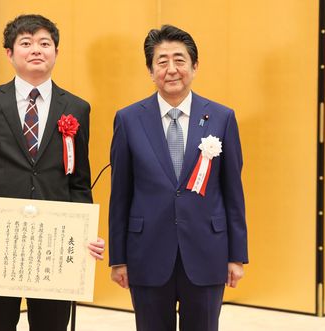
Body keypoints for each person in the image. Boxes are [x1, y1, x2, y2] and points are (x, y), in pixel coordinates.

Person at [0, 14, 104, 331]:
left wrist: (84, 231)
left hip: (54, 245)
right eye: (25, 43)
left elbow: (79, 182)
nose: (36, 50)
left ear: (56, 51)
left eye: (45, 43)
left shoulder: (77, 108)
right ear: (9, 53)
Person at [108, 25, 248, 331]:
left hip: (207, 251)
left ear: (195, 66)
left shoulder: (222, 117)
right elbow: (120, 194)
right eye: (161, 61)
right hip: (146, 252)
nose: (171, 69)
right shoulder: (129, 119)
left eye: (180, 60)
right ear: (150, 70)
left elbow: (232, 191)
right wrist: (118, 258)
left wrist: (237, 256)